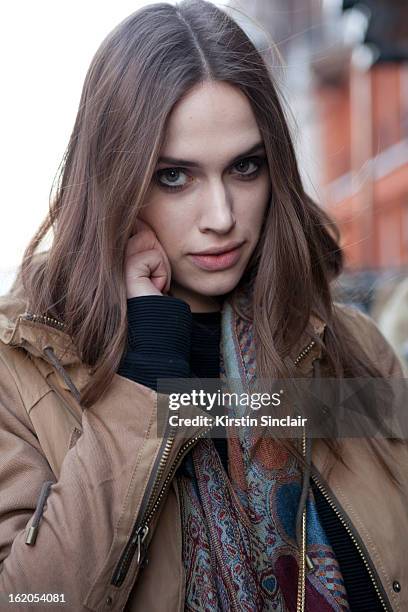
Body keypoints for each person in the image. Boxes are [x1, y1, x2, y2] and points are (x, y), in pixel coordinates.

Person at [0, 1, 407, 611]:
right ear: (114, 179)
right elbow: (33, 601)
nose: (222, 218)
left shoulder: (348, 350)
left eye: (246, 167)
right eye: (174, 176)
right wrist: (143, 377)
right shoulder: (22, 370)